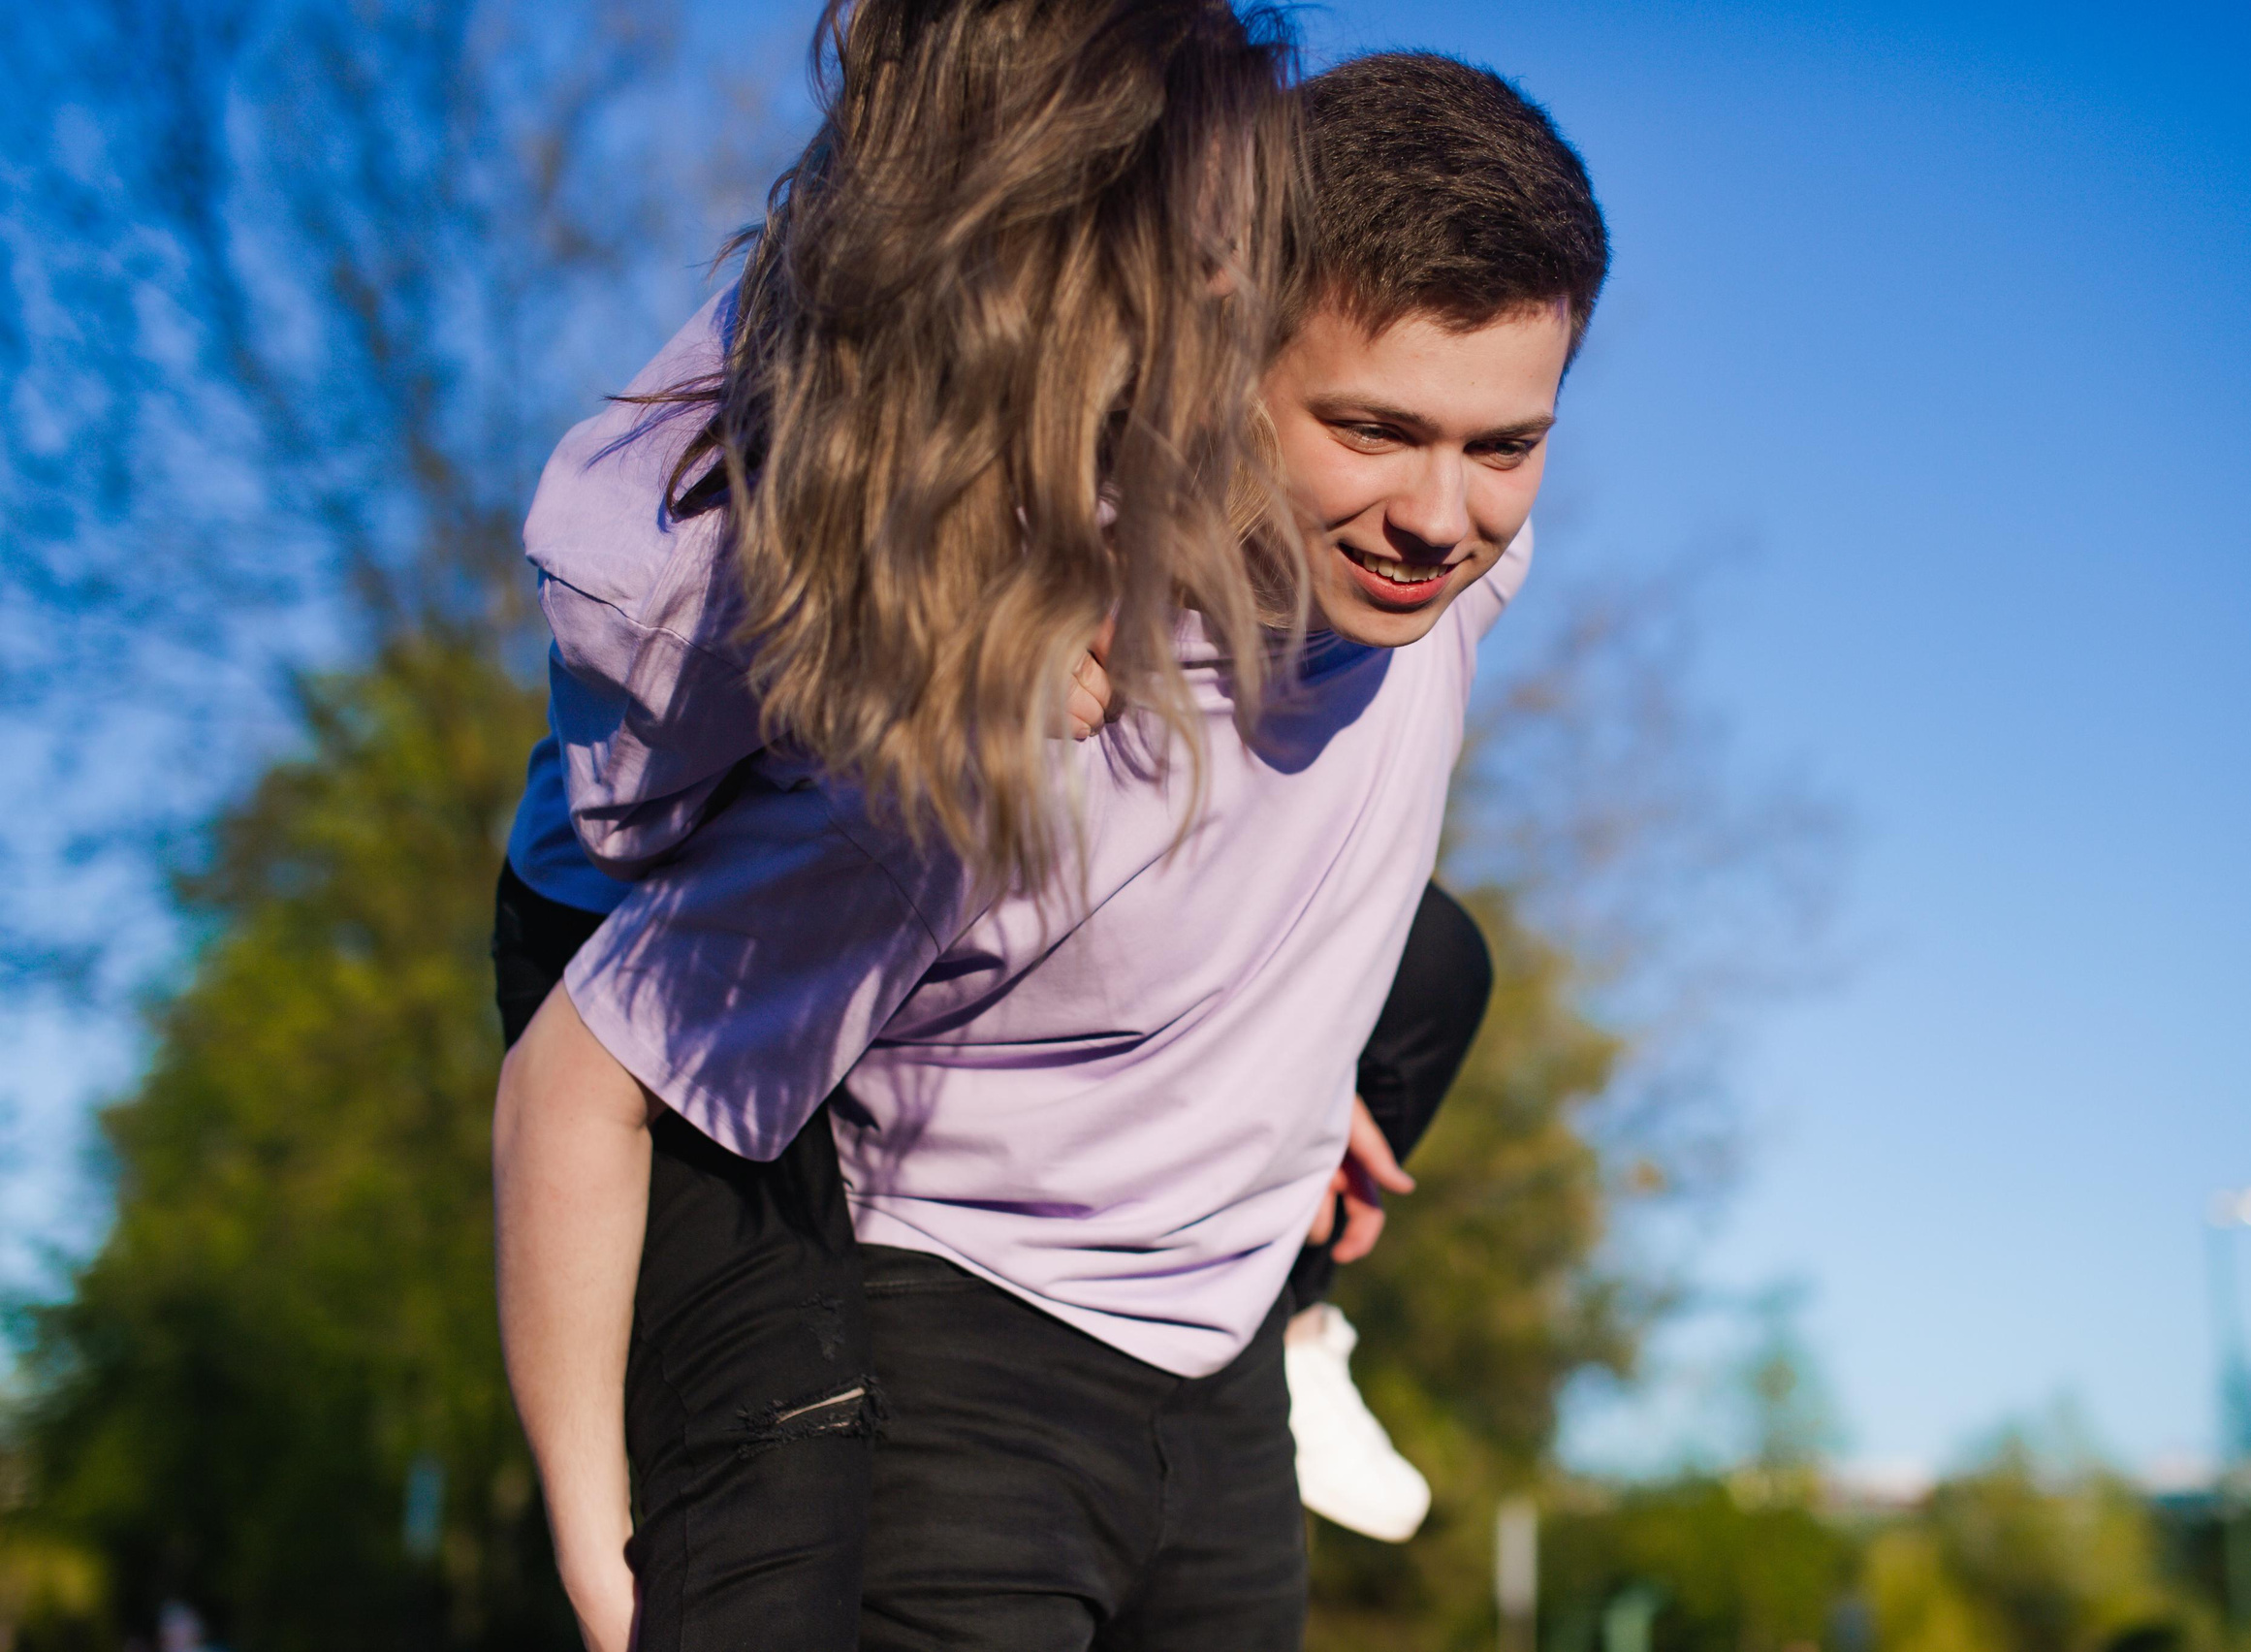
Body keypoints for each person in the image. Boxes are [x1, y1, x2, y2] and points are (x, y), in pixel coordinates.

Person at [496, 42, 1608, 1652]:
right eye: (1374, 430)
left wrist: (1279, 1091)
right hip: (969, 1365)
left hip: (1220, 1374)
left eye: (1506, 447)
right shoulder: (1016, 716)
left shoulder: (1447, 567)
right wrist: (605, 1562)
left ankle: (1308, 1315)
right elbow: (578, 1077)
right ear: (1210, 365)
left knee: (1438, 959)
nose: (1444, 517)